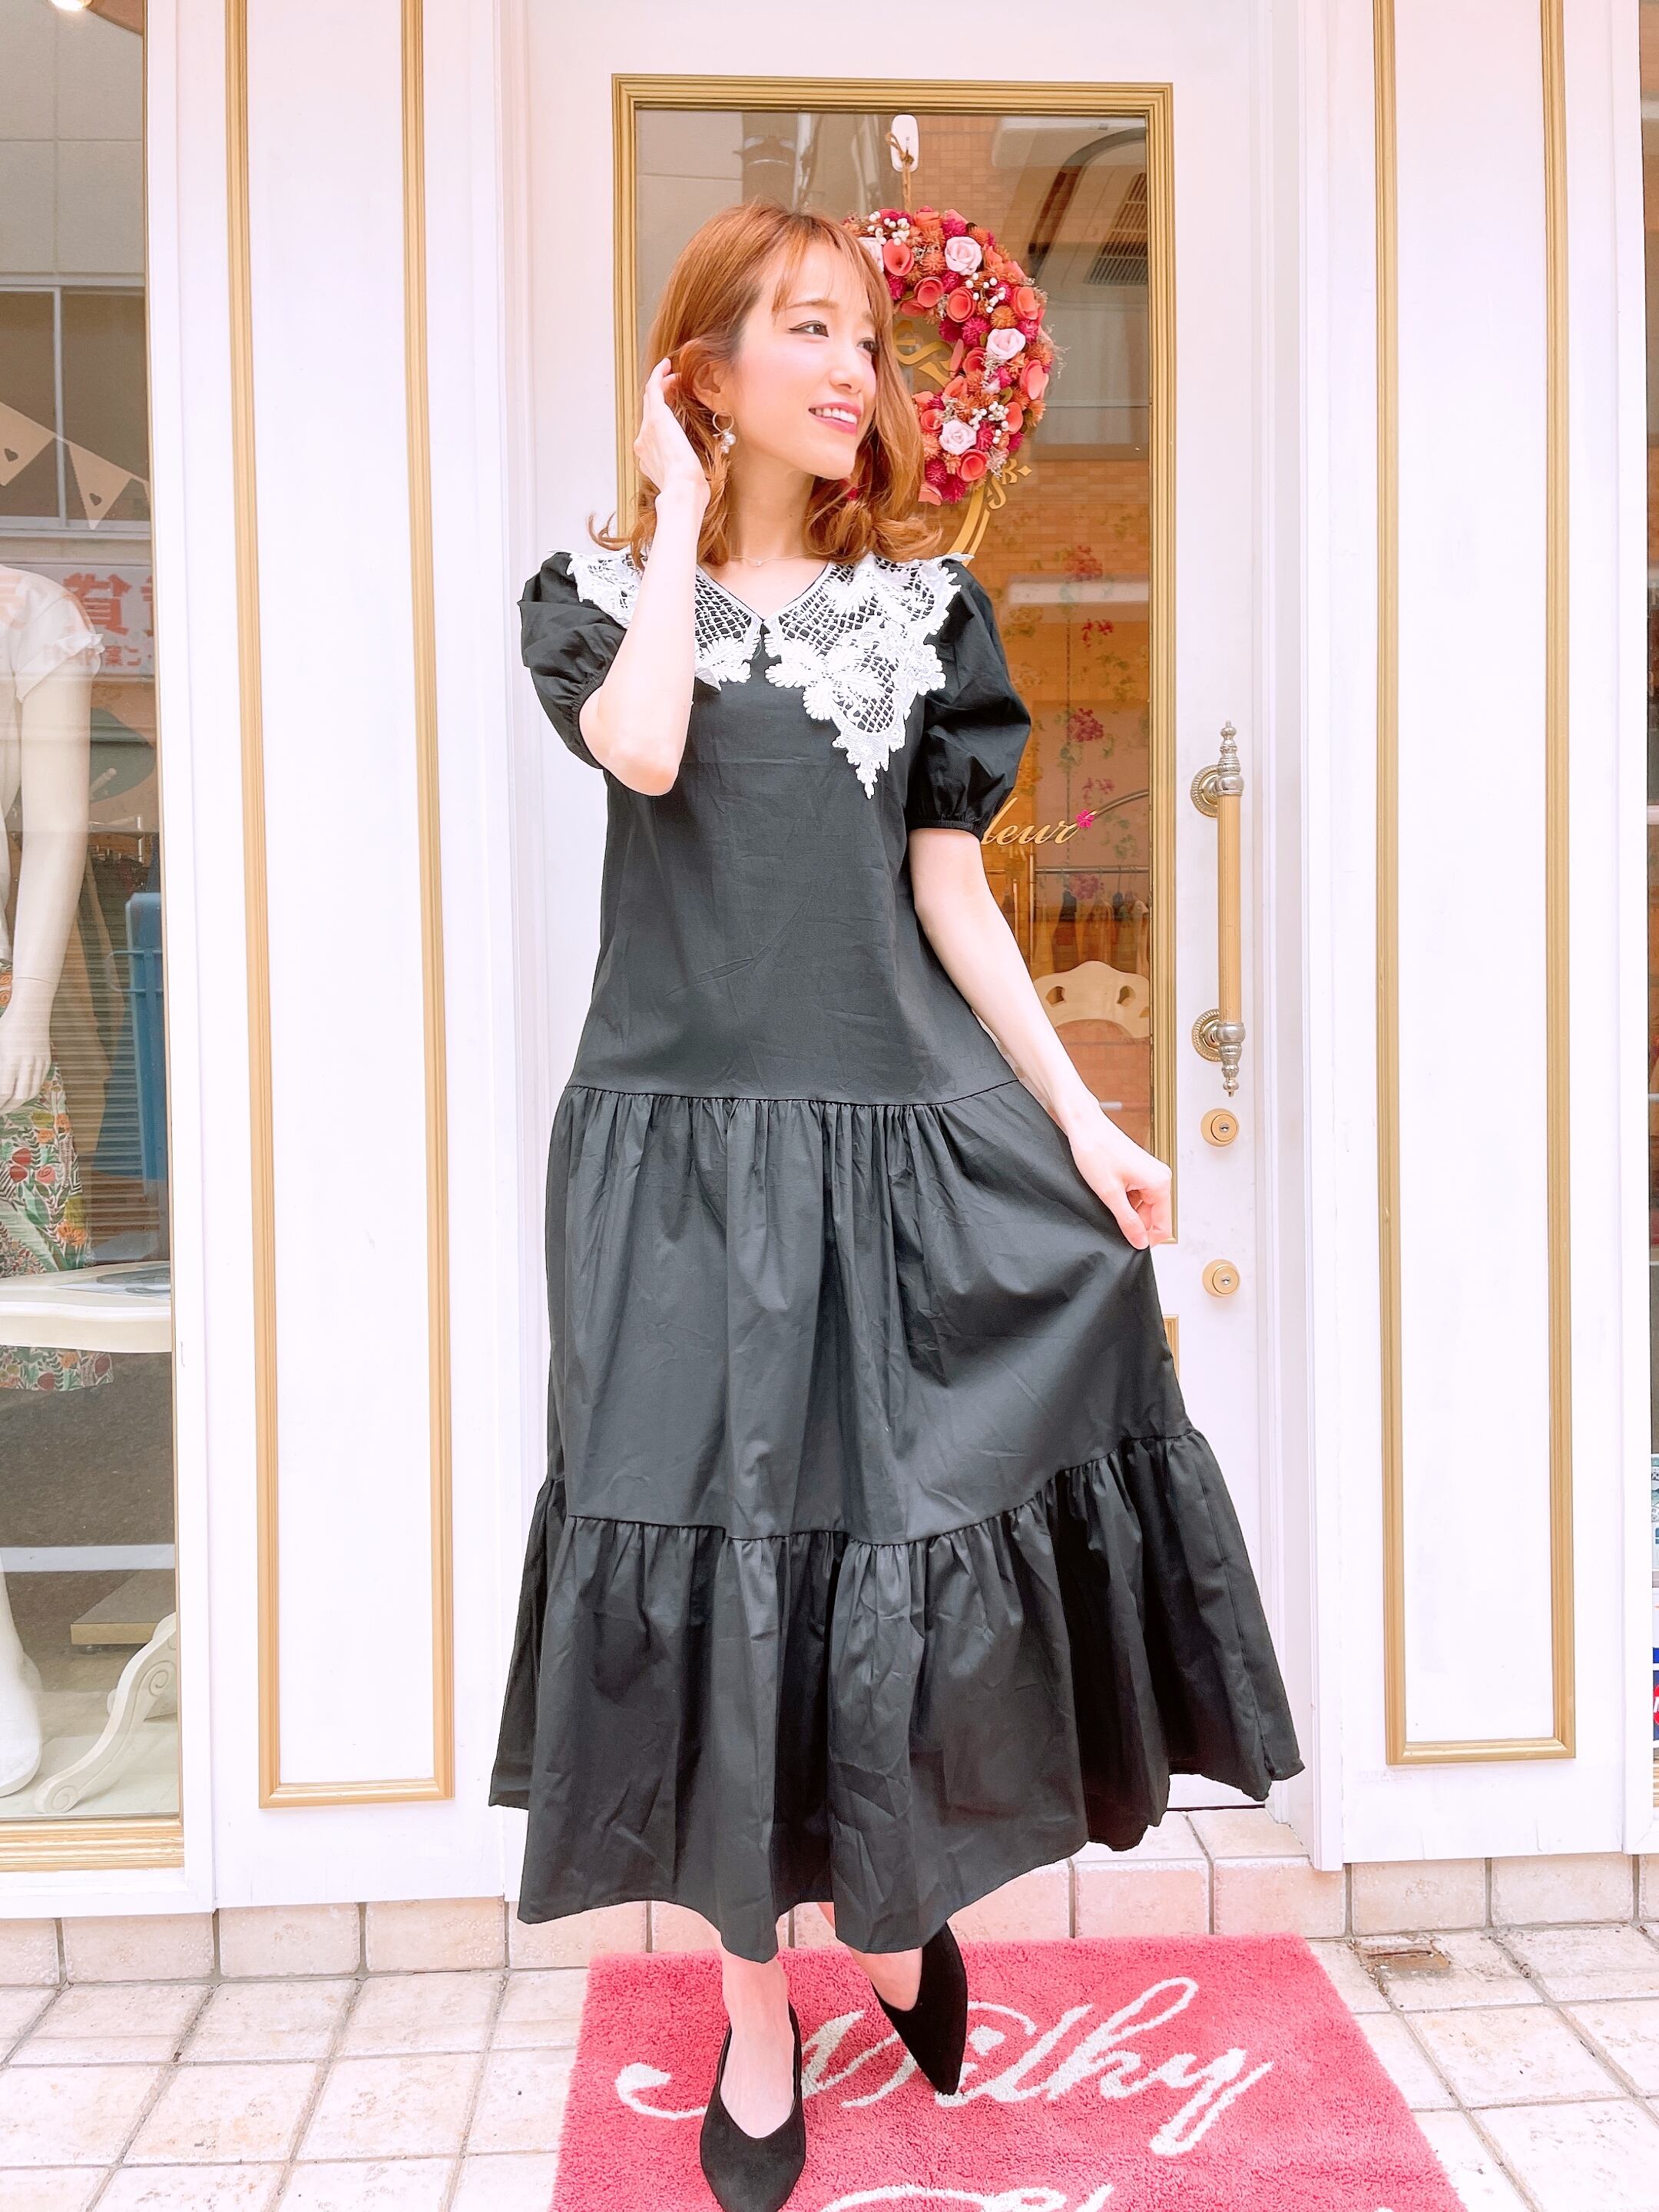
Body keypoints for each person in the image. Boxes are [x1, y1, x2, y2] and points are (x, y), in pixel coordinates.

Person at [489, 198, 1303, 2212]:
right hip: (675, 1173)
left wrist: (1087, 1121)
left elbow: (953, 901)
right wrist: (680, 514)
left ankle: (896, 1900)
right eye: (805, 330)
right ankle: (757, 2016)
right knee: (713, 1580)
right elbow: (645, 751)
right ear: (703, 369)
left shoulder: (926, 610)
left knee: (882, 1544)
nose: (853, 369)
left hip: (893, 1151)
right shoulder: (594, 594)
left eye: (864, 335)